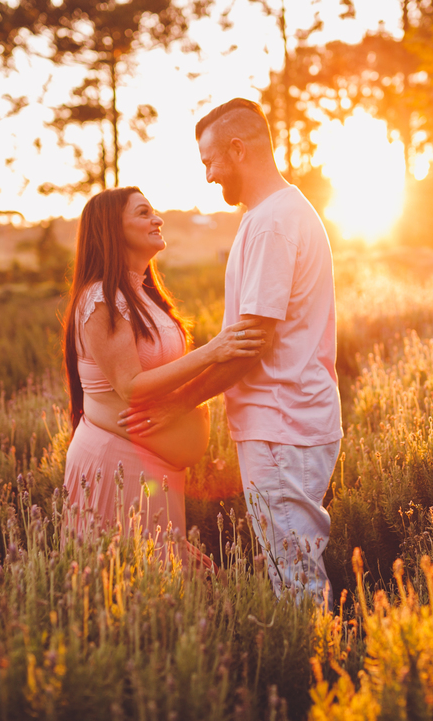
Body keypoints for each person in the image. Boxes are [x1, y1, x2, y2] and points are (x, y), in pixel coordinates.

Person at [121, 98, 342, 605]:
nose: (208, 177)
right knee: (290, 567)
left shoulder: (271, 223)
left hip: (282, 426)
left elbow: (249, 347)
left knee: (295, 579)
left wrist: (179, 403)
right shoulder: (270, 215)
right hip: (287, 422)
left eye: (209, 162)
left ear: (238, 150)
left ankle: (321, 673)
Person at [61, 186, 265, 545]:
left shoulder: (142, 293)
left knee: (159, 585)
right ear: (112, 228)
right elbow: (131, 386)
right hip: (117, 464)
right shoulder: (101, 298)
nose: (157, 219)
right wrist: (213, 351)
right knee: (124, 585)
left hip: (154, 470)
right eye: (143, 213)